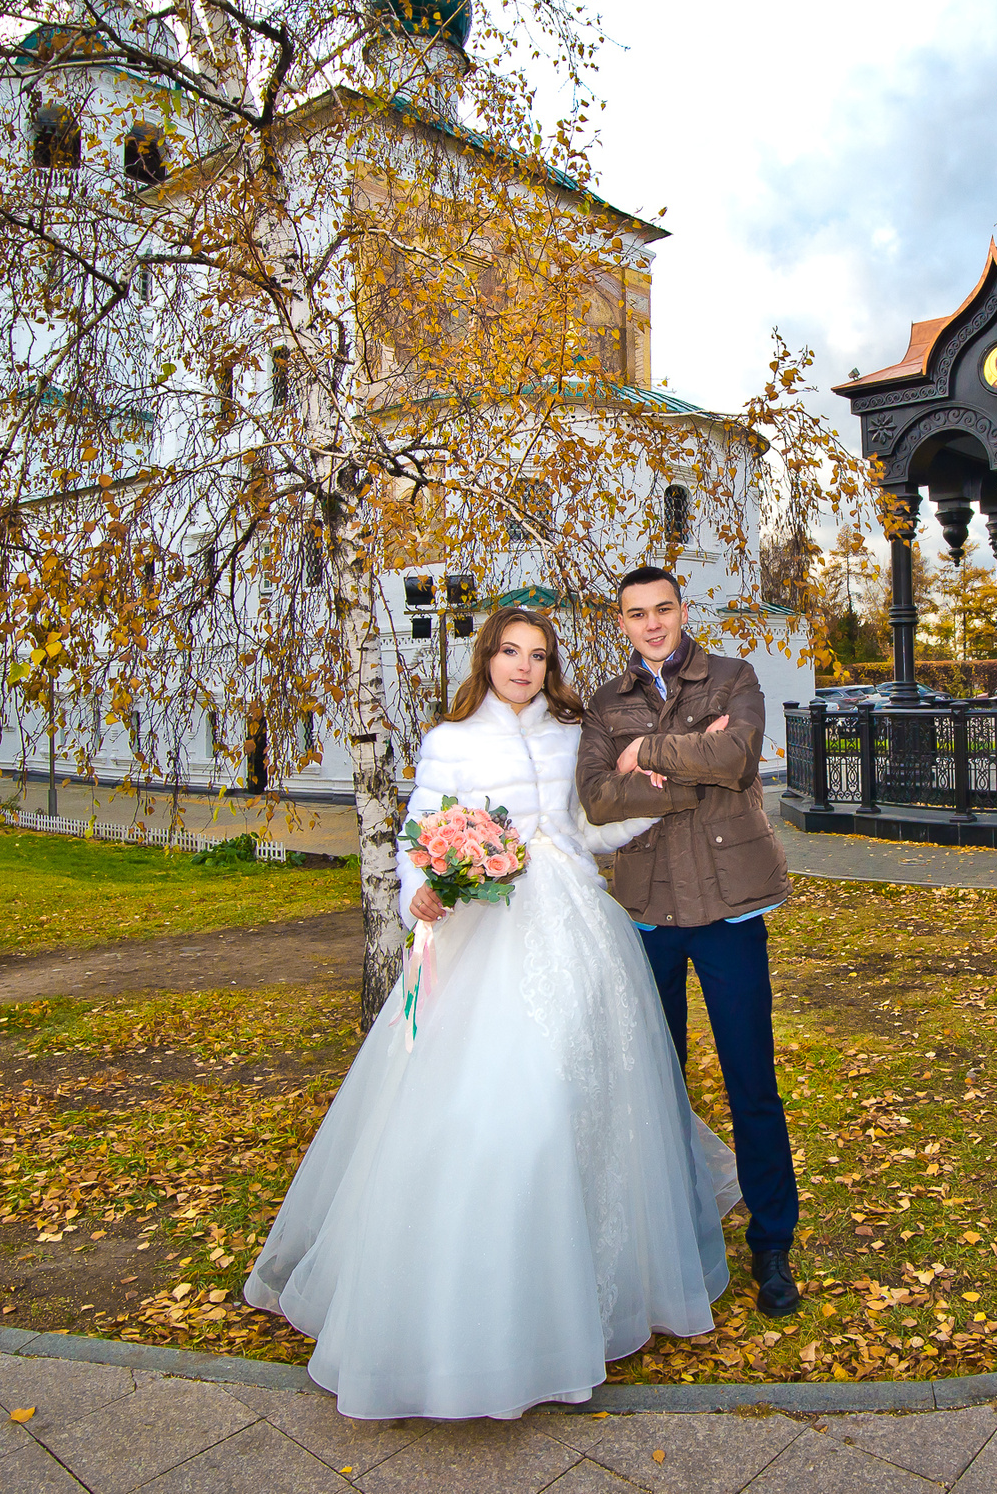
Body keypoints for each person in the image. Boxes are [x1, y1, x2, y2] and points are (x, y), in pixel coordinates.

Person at [244, 606, 737, 1420]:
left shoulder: (574, 734)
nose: (523, 666)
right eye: (510, 651)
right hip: (483, 933)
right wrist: (421, 890)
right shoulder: (451, 741)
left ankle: (576, 1298)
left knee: (576, 1105)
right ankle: (475, 1307)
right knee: (495, 1111)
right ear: (487, 657)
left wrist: (661, 793)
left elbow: (591, 827)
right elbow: (417, 833)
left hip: (576, 934)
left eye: (537, 655)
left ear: (550, 666)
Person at [580, 566, 803, 1319]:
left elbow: (737, 758)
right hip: (649, 916)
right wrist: (689, 763)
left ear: (683, 610)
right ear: (621, 622)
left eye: (663, 608)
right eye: (636, 613)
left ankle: (772, 1242)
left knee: (752, 1082)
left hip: (730, 911)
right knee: (658, 1085)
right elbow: (597, 799)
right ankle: (673, 1231)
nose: (652, 624)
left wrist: (644, 752)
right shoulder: (604, 703)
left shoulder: (734, 676)